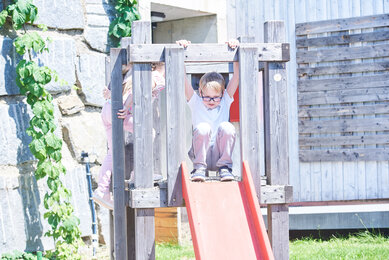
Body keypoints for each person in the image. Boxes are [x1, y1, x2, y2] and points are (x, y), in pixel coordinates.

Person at [93, 63, 165, 209]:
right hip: (121, 112)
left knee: (113, 152)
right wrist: (126, 106)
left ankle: (102, 190)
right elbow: (138, 90)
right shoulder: (157, 76)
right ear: (160, 66)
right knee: (148, 133)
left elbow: (115, 91)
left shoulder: (131, 74)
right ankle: (138, 173)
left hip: (108, 109)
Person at [177, 39, 240, 182]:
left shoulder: (225, 101)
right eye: (207, 97)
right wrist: (181, 51)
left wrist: (236, 51)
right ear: (200, 92)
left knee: (227, 127)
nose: (211, 101)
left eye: (215, 97)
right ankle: (199, 168)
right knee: (203, 128)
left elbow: (236, 77)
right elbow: (182, 78)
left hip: (219, 154)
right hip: (201, 154)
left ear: (223, 93)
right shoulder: (196, 102)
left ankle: (225, 167)